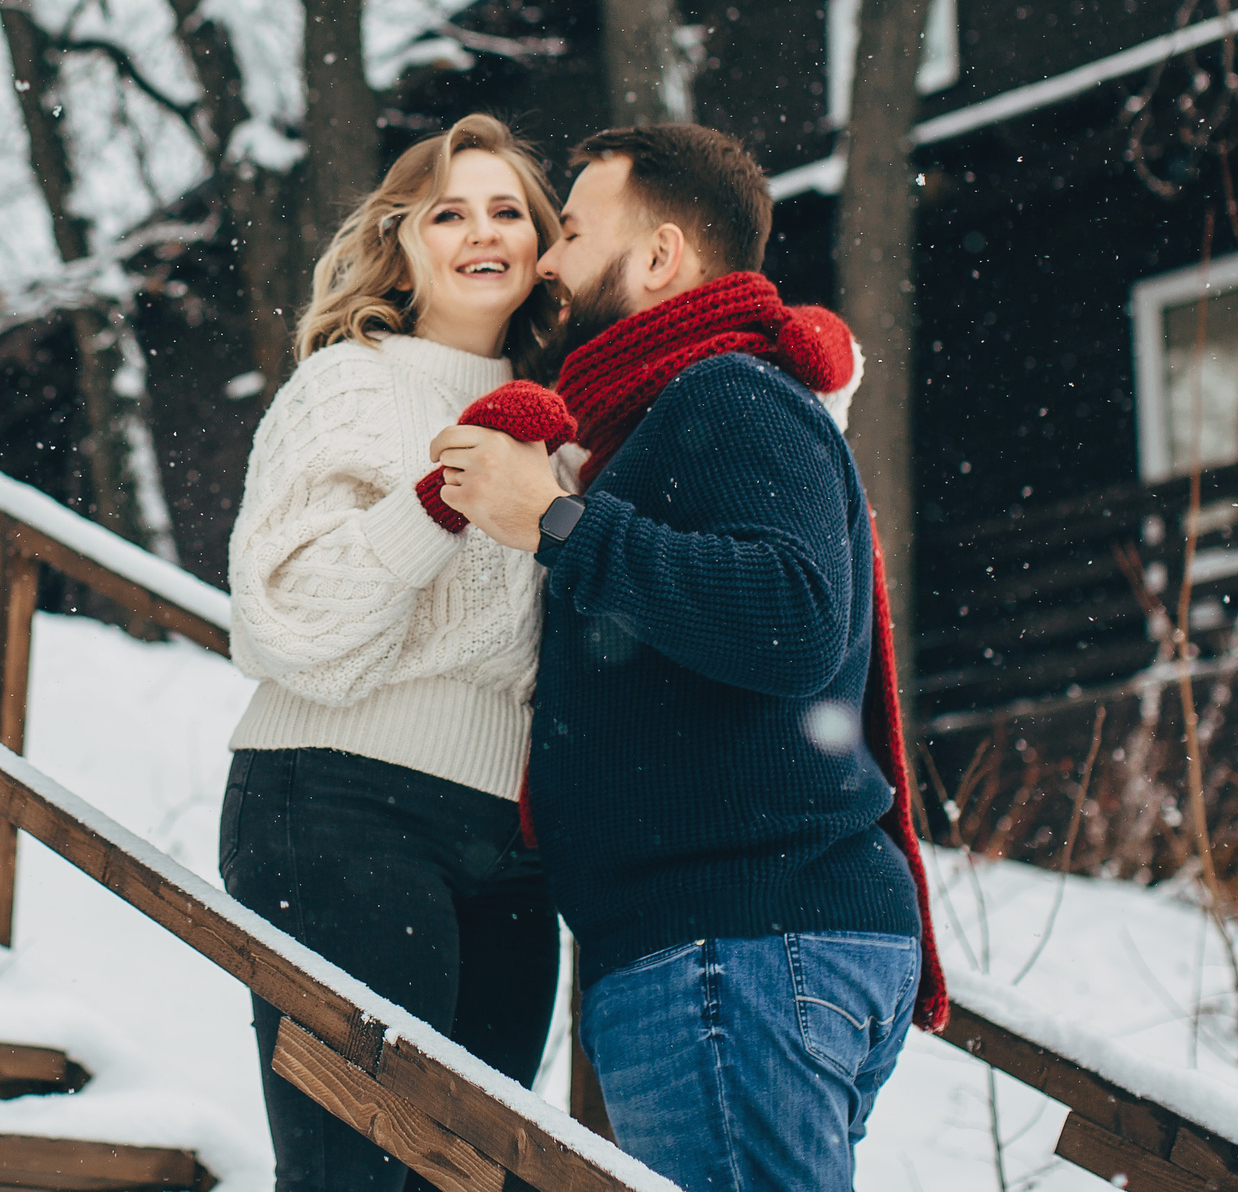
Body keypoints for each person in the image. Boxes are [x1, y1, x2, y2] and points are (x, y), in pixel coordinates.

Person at [432, 122, 946, 1192]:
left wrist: (558, 528)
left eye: (571, 232)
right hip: (751, 947)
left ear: (661, 258)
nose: (548, 263)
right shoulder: (664, 418)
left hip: (738, 950)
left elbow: (794, 617)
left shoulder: (722, 393)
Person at [220, 113, 568, 1192]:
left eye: (507, 210)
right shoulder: (346, 386)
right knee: (354, 1177)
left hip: (511, 838)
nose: (482, 232)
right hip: (336, 804)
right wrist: (439, 499)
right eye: (449, 212)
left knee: (476, 1180)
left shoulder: (570, 416)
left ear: (542, 242)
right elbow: (284, 622)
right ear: (401, 244)